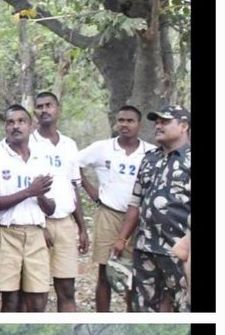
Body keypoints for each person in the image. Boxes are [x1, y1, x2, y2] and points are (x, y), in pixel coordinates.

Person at [111, 107, 190, 313]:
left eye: (165, 121)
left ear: (183, 126)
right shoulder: (149, 159)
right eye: (156, 121)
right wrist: (122, 239)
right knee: (143, 307)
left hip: (179, 250)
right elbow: (135, 202)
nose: (158, 125)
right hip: (145, 247)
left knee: (184, 306)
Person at [78, 105, 151, 312]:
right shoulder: (103, 147)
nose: (125, 125)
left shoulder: (150, 152)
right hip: (108, 213)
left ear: (139, 124)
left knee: (132, 273)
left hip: (137, 217)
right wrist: (90, 189)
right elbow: (74, 163)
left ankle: (130, 315)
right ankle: (103, 314)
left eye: (130, 121)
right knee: (105, 270)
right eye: (121, 121)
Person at [0, 105, 55, 312]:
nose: (16, 126)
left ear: (31, 125)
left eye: (21, 121)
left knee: (38, 297)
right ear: (5, 127)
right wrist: (28, 191)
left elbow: (50, 209)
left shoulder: (42, 156)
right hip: (6, 233)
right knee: (10, 299)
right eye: (10, 122)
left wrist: (39, 194)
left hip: (35, 234)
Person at [29, 91, 88, 312]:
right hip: (37, 225)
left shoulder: (69, 145)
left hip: (65, 224)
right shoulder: (28, 142)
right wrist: (39, 224)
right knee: (37, 294)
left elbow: (74, 186)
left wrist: (82, 227)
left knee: (67, 289)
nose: (44, 110)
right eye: (40, 106)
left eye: (49, 105)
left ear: (58, 109)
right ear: (35, 112)